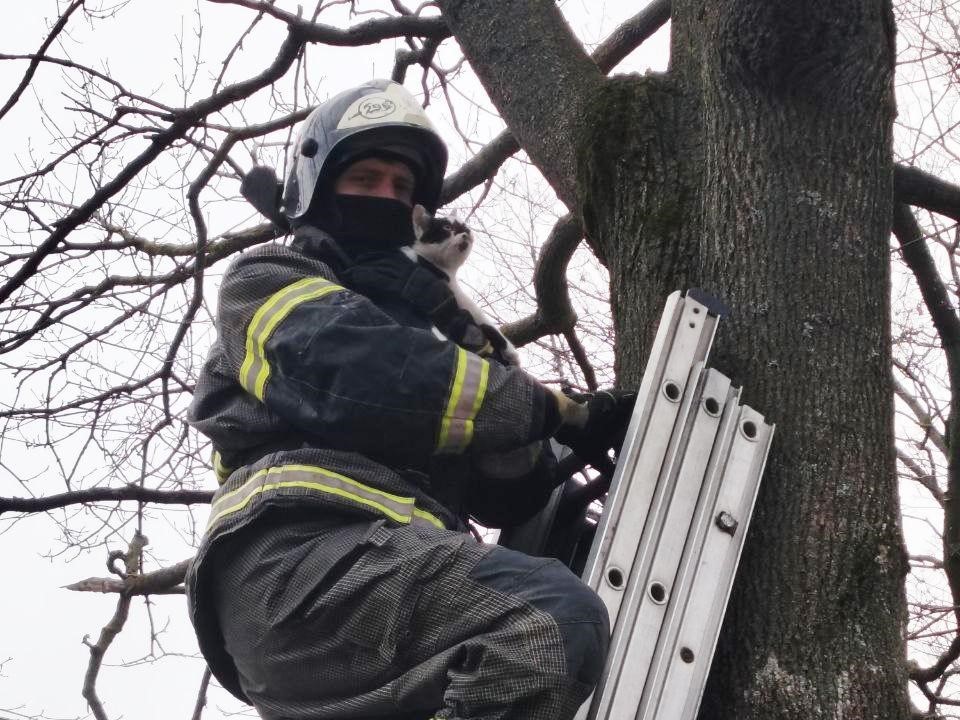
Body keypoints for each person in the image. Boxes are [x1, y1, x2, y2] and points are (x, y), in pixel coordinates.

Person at [185, 79, 632, 720]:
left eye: (401, 188)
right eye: (366, 179)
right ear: (315, 187)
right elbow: (350, 372)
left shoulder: (426, 340)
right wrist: (551, 409)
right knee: (545, 622)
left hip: (381, 589)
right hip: (296, 564)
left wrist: (514, 397)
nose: (387, 199)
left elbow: (506, 494)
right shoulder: (266, 280)